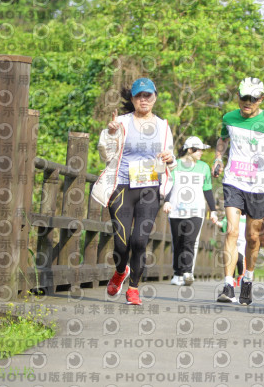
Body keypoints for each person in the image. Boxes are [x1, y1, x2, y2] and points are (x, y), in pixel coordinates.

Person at [91, 78, 176, 305]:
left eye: (148, 95)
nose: (143, 100)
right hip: (121, 186)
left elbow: (170, 158)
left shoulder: (163, 125)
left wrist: (170, 158)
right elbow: (106, 154)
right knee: (121, 242)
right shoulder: (120, 122)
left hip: (149, 187)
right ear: (132, 99)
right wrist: (110, 133)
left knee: (140, 240)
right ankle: (120, 271)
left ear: (155, 97)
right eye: (139, 96)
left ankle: (134, 288)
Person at [212, 77, 264, 305]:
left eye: (253, 98)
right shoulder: (229, 118)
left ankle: (247, 279)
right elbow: (222, 140)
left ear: (261, 99)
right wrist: (218, 158)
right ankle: (228, 285)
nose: (248, 102)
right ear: (238, 96)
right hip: (233, 181)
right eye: (244, 97)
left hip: (258, 186)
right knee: (232, 232)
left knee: (253, 236)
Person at [163, 136, 218, 286]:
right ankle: (177, 273)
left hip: (196, 210)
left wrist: (213, 210)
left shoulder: (204, 167)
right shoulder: (175, 165)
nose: (201, 152)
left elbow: (207, 190)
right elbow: (169, 184)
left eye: (202, 149)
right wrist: (166, 201)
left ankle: (187, 272)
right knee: (178, 241)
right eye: (198, 149)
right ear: (189, 150)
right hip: (176, 209)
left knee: (189, 241)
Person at [216, 214, 247, 287]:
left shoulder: (247, 216)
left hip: (243, 243)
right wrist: (217, 223)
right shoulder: (231, 213)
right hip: (232, 242)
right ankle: (231, 279)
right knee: (231, 260)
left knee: (240, 259)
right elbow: (223, 223)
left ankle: (241, 275)